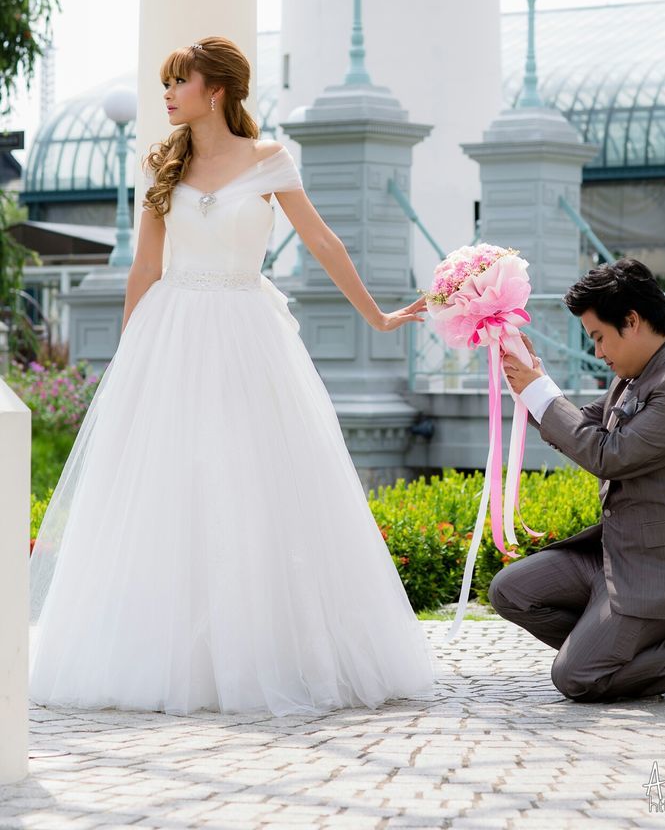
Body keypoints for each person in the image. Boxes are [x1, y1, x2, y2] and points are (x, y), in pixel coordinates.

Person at [29, 36, 437, 716]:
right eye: (165, 84)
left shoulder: (269, 159)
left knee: (254, 486)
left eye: (176, 82)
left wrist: (382, 317)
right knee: (172, 489)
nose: (166, 95)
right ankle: (168, 657)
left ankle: (264, 654)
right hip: (172, 334)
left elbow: (324, 241)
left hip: (250, 335)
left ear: (213, 90)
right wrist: (127, 362)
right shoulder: (161, 164)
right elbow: (143, 269)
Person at [496, 258, 665, 704]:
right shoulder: (636, 374)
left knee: (576, 679)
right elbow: (580, 422)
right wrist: (526, 378)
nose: (598, 352)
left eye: (599, 337)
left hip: (664, 573)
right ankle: (611, 646)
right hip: (615, 555)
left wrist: (541, 392)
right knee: (510, 591)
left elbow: (610, 454)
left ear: (632, 320)